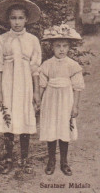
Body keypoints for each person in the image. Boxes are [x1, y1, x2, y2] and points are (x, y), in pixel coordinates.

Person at [0, 0, 42, 174]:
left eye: (20, 18)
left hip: (25, 85)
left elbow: (35, 68)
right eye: (13, 18)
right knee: (9, 119)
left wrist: (36, 91)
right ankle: (8, 159)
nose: (17, 22)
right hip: (7, 84)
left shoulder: (33, 40)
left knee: (24, 117)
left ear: (26, 19)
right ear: (8, 20)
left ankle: (24, 159)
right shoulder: (1, 39)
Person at [39, 24, 84, 176]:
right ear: (52, 47)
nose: (61, 49)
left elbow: (77, 87)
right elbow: (42, 84)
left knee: (64, 129)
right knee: (51, 129)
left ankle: (64, 162)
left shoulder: (73, 65)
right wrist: (38, 100)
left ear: (69, 47)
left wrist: (75, 106)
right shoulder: (47, 65)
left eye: (65, 46)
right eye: (58, 46)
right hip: (50, 99)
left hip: (66, 99)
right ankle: (51, 161)